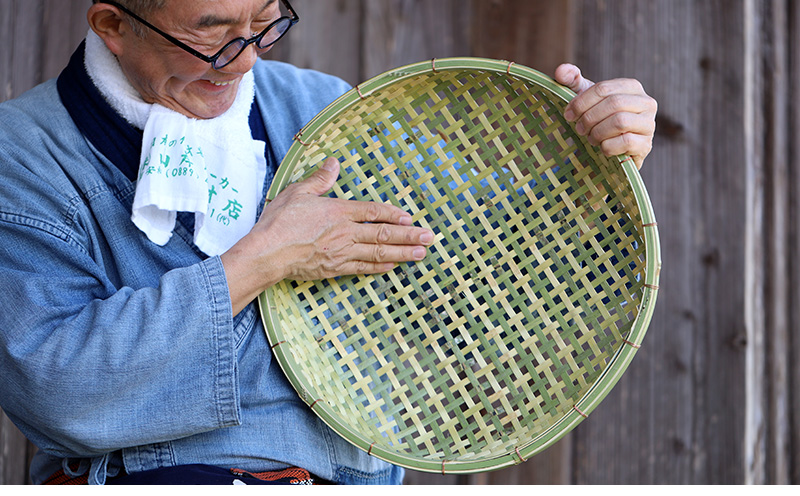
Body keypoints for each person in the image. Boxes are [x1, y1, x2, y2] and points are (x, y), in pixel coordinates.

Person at [0, 0, 658, 485]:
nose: (248, 59)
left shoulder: (323, 110)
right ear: (112, 26)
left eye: (264, 23)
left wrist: (594, 164)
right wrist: (263, 258)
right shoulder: (25, 153)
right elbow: (53, 387)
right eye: (212, 37)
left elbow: (476, 263)